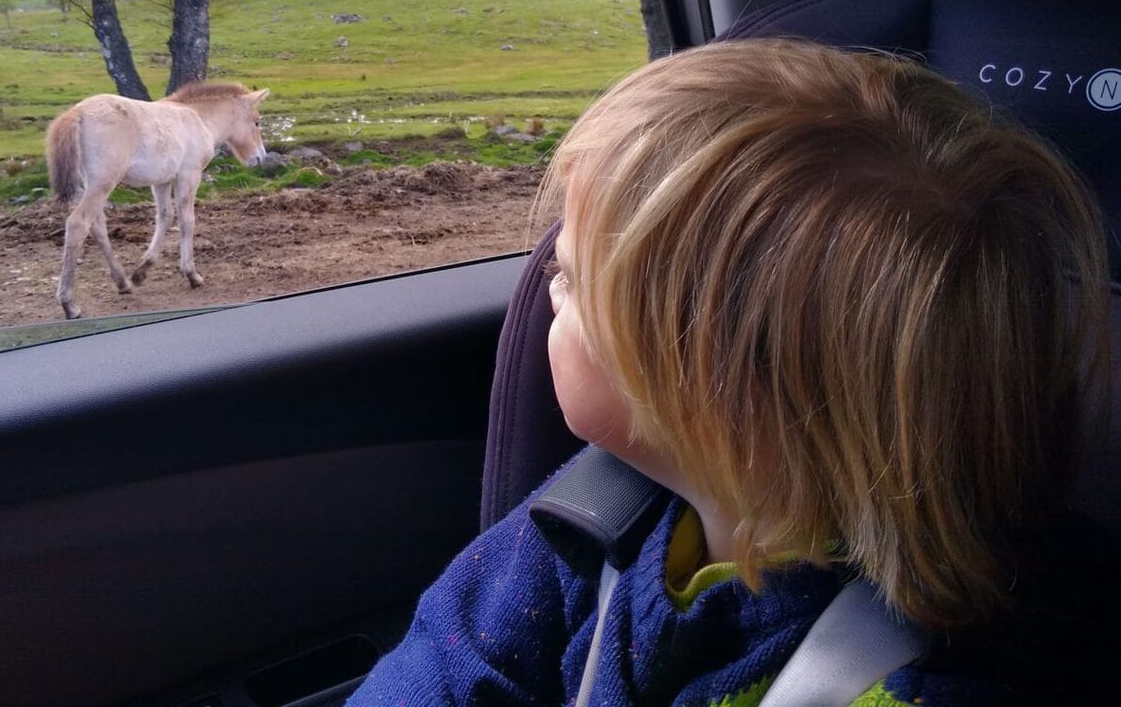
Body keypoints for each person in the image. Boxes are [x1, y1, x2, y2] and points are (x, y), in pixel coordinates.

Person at [345, 38, 1110, 706]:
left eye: (574, 283)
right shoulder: (585, 525)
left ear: (711, 397)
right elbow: (438, 672)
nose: (546, 288)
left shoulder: (919, 680)